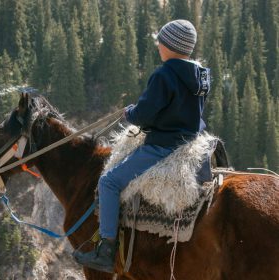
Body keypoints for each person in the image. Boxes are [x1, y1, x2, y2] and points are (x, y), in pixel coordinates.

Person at [73, 19, 211, 273]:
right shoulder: (201, 75)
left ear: (170, 45)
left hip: (164, 146)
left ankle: (106, 250)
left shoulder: (164, 75)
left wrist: (130, 113)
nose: (158, 44)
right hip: (192, 144)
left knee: (109, 182)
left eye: (162, 40)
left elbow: (144, 116)